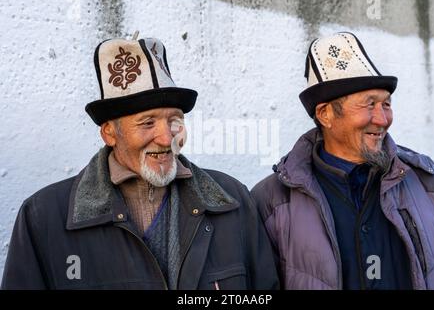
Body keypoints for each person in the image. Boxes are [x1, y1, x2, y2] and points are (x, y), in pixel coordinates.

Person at [1, 35, 279, 290]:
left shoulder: (232, 200)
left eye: (175, 121)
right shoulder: (44, 217)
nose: (166, 137)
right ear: (110, 132)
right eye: (147, 123)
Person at [251, 32, 434, 290]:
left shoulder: (429, 183)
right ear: (325, 114)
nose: (382, 119)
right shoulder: (272, 202)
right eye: (369, 105)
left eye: (386, 104)